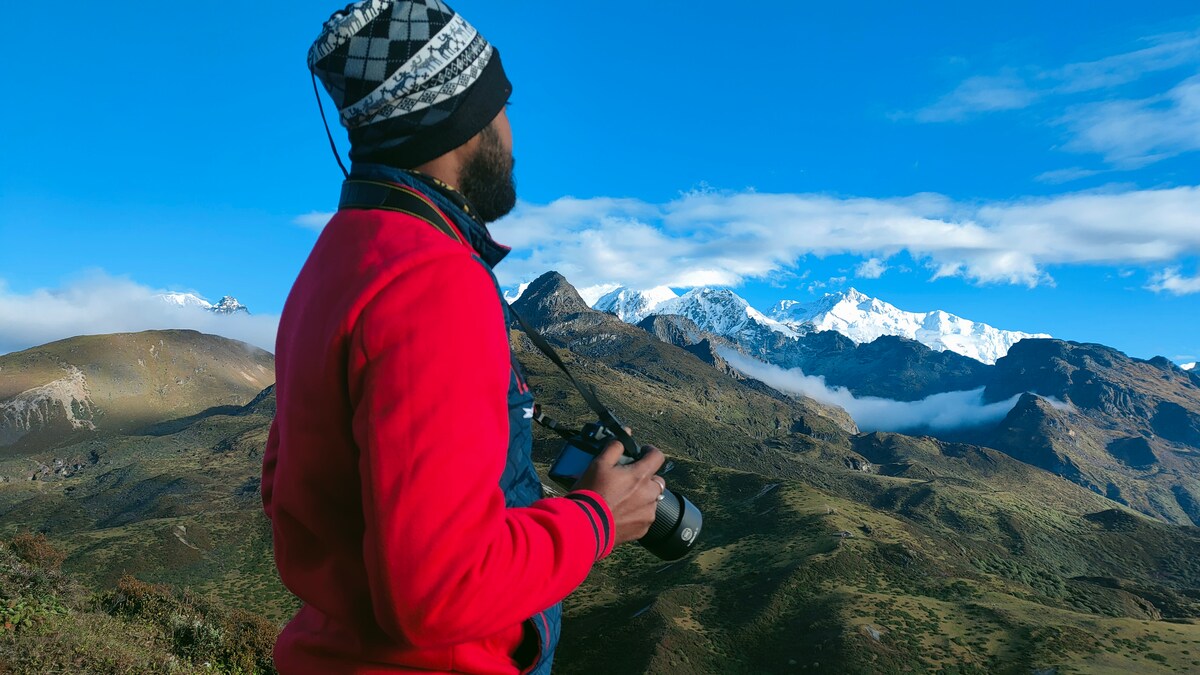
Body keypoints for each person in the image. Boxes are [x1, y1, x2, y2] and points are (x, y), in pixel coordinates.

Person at [260, 2, 667, 673]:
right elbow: (436, 592)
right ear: (457, 123)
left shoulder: (333, 265)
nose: (509, 132)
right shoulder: (435, 283)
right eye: (498, 108)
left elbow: (286, 488)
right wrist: (596, 520)